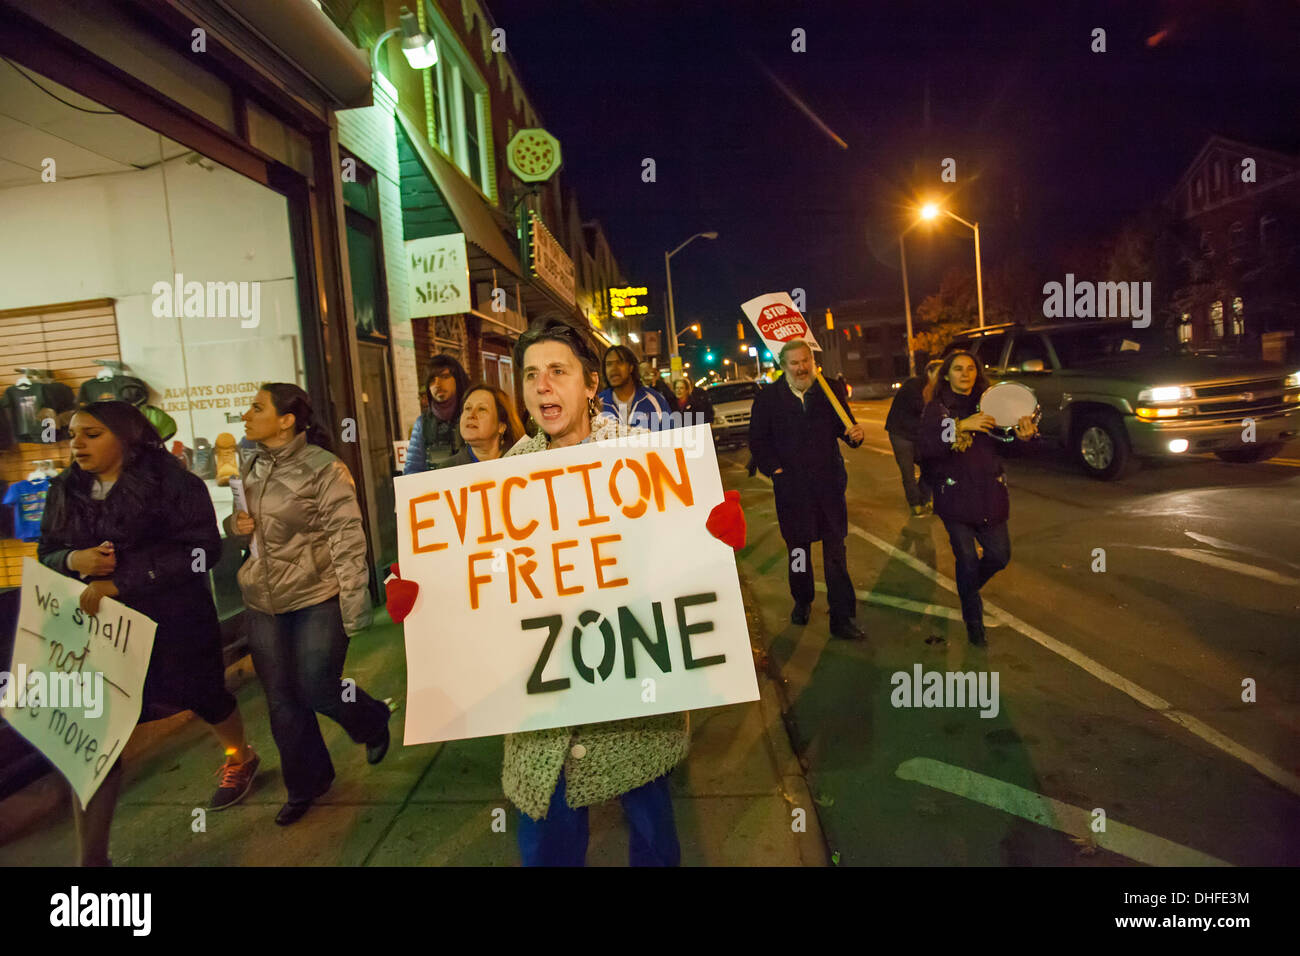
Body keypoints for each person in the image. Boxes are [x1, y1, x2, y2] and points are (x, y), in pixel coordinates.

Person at [38, 402, 258, 866]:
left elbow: (203, 551)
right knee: (94, 740)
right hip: (97, 636)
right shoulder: (65, 490)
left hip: (174, 624)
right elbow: (48, 552)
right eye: (73, 434)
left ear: (127, 437)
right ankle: (92, 861)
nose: (76, 443)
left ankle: (240, 756)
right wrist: (73, 561)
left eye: (92, 434)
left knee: (206, 698)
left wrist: (125, 581)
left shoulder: (175, 484)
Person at [503, 317, 688, 866]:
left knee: (652, 827)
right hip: (547, 697)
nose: (542, 386)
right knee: (547, 838)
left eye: (557, 371)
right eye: (531, 374)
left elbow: (681, 558)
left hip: (631, 683)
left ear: (589, 386)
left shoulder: (641, 456)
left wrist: (713, 532)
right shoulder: (503, 479)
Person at [225, 383, 391, 826]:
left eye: (256, 408)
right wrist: (236, 525)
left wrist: (355, 603)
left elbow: (347, 537)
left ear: (287, 420)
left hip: (317, 595)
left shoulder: (325, 469)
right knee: (281, 699)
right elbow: (240, 527)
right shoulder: (251, 465)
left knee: (317, 686)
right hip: (262, 598)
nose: (246, 415)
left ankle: (371, 720)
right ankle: (307, 784)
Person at [916, 351, 1037, 647]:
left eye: (971, 368)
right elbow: (926, 448)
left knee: (999, 556)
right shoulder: (938, 408)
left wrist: (1024, 438)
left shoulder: (992, 405)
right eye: (958, 369)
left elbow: (1007, 446)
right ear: (947, 374)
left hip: (989, 496)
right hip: (954, 496)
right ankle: (974, 625)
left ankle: (967, 589)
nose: (965, 374)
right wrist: (960, 426)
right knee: (967, 560)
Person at [748, 341, 867, 640]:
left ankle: (842, 617)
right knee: (798, 552)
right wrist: (775, 469)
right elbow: (759, 441)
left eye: (806, 361)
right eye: (794, 363)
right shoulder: (769, 398)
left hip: (828, 487)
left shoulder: (829, 391)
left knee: (836, 554)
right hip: (793, 492)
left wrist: (854, 435)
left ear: (813, 361)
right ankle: (803, 600)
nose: (801, 368)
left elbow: (845, 427)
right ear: (783, 366)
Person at [885, 358, 943, 516]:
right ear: (929, 372)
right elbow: (921, 408)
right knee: (907, 471)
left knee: (930, 466)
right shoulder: (914, 385)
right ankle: (915, 503)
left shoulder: (940, 388)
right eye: (939, 372)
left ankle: (925, 498)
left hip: (920, 435)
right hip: (901, 433)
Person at [433, 383, 525, 469]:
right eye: (467, 408)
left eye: (482, 409)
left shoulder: (522, 462)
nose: (471, 415)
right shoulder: (446, 470)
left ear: (501, 426)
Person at [403, 356, 470, 474]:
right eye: (432, 380)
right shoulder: (422, 423)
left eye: (444, 377)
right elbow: (413, 471)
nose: (437, 384)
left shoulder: (472, 415)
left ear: (458, 379)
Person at [599, 346, 674, 429]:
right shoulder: (598, 404)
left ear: (631, 367)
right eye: (609, 364)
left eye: (619, 362)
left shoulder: (654, 400)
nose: (613, 368)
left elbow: (670, 436)